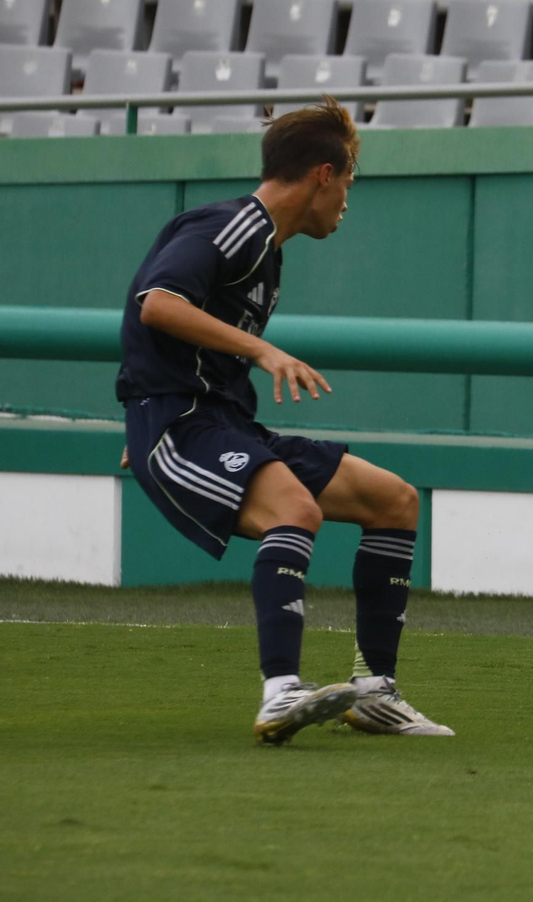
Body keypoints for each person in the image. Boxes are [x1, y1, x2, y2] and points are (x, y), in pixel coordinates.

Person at [115, 98, 452, 743]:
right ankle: (280, 694)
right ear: (324, 174)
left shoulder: (266, 250)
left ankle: (376, 692)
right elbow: (158, 304)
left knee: (395, 500)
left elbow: (172, 338)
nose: (349, 200)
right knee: (296, 511)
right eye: (350, 182)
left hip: (222, 421)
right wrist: (260, 353)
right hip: (182, 425)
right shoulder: (236, 227)